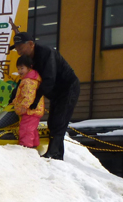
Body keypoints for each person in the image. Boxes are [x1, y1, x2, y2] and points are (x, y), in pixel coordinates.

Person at [10, 31, 80, 161]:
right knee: (52, 122)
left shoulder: (46, 53)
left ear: (31, 44)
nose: (19, 52)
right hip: (55, 92)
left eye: (20, 48)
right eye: (17, 49)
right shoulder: (29, 60)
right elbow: (25, 80)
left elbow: (49, 79)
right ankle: (56, 154)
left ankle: (54, 154)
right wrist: (14, 95)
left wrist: (36, 99)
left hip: (68, 88)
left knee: (59, 121)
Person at [10, 55, 45, 149]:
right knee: (32, 130)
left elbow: (29, 96)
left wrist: (23, 107)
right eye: (18, 69)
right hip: (33, 110)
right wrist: (15, 102)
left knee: (26, 130)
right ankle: (34, 146)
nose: (20, 71)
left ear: (29, 67)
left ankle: (26, 148)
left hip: (29, 110)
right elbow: (21, 95)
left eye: (22, 68)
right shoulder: (31, 79)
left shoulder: (28, 81)